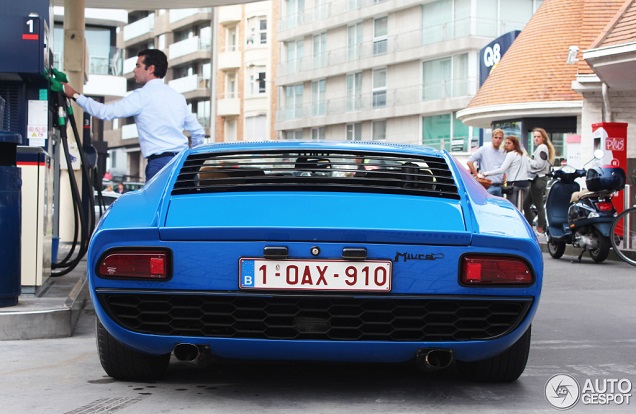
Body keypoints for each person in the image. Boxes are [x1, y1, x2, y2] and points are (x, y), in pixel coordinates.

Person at [62, 49, 205, 181]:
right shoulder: (177, 97)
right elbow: (198, 132)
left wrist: (74, 94)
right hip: (184, 164)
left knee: (157, 208)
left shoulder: (141, 96)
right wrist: (193, 161)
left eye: (138, 66)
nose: (134, 70)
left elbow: (104, 112)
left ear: (151, 69)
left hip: (161, 165)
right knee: (181, 208)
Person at [480, 136, 529, 210]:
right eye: (505, 143)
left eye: (509, 143)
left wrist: (486, 173)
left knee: (512, 208)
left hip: (513, 184)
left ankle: (513, 221)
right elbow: (529, 168)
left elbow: (502, 169)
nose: (506, 145)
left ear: (514, 145)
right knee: (520, 207)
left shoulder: (511, 154)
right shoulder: (523, 155)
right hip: (525, 184)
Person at [523, 127, 555, 234]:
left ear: (543, 138)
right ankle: (530, 225)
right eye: (534, 137)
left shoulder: (542, 148)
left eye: (538, 137)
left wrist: (527, 159)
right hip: (536, 179)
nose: (536, 139)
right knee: (526, 204)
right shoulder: (542, 148)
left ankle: (541, 227)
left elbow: (539, 165)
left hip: (538, 179)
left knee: (538, 205)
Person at [467, 129, 506, 196]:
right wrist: (477, 175)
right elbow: (469, 162)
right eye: (495, 137)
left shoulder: (503, 152)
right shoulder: (484, 149)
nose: (497, 140)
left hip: (499, 186)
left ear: (502, 140)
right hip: (487, 186)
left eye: (500, 138)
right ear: (492, 138)